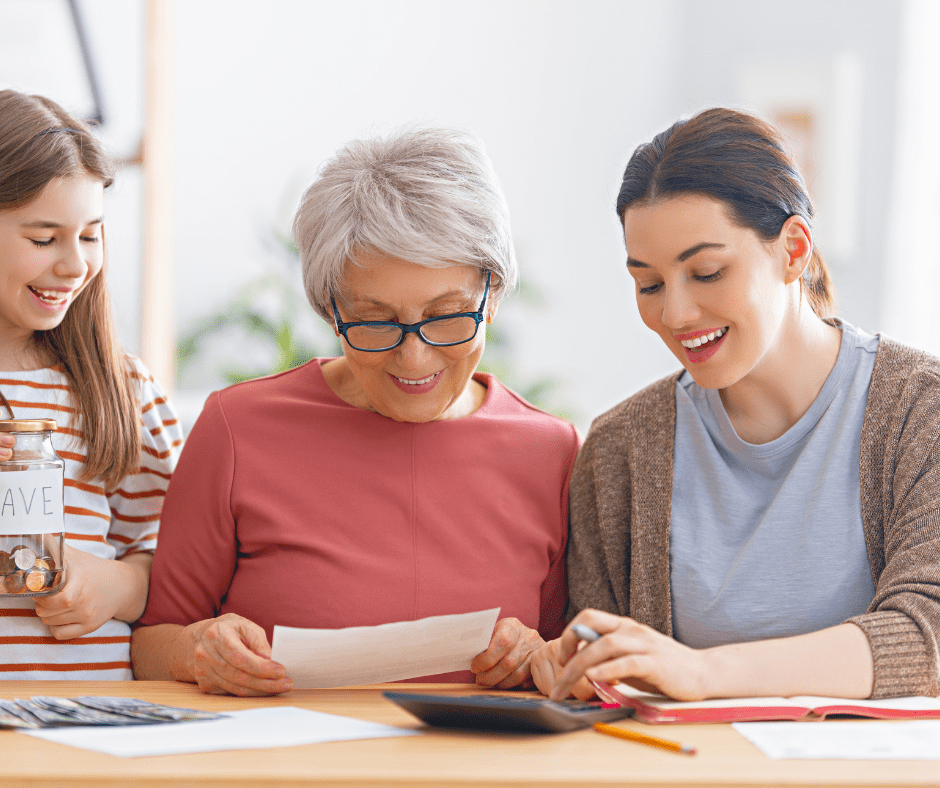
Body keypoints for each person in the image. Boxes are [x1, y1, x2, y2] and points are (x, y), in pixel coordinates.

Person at [131, 126, 579, 696]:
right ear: (330, 309)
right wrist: (198, 651)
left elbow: (568, 650)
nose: (414, 357)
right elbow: (150, 644)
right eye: (375, 321)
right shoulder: (238, 428)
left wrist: (537, 655)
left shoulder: (551, 451)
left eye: (447, 315)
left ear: (491, 296)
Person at [532, 107, 940, 703]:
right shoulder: (621, 449)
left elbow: (927, 634)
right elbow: (601, 676)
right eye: (648, 284)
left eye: (708, 271)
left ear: (794, 250)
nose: (674, 314)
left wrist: (702, 674)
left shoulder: (919, 412)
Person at [0, 89, 183, 678]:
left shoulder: (120, 387)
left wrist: (120, 585)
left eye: (89, 234)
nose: (76, 264)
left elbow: (183, 557)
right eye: (43, 238)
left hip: (93, 723)